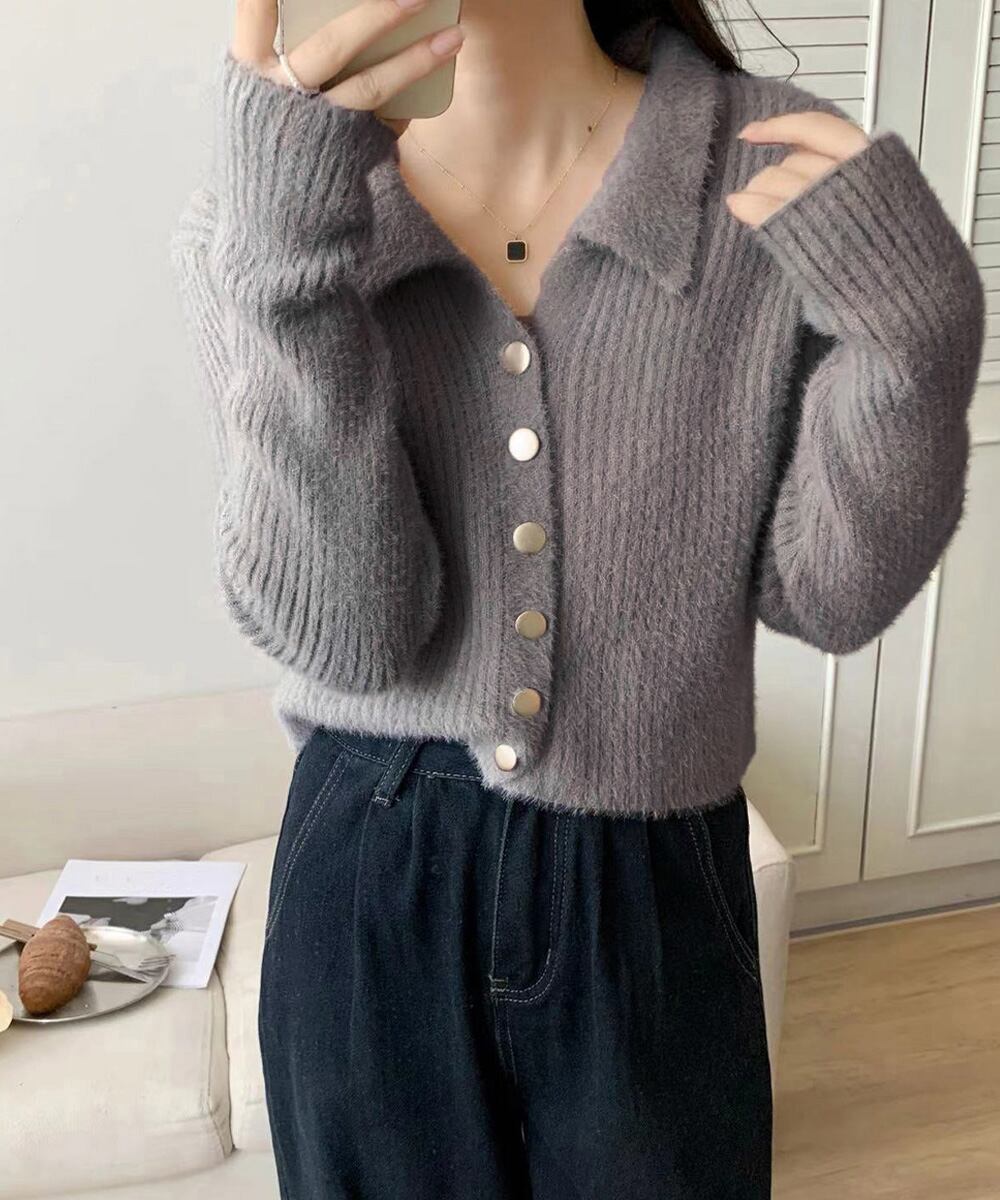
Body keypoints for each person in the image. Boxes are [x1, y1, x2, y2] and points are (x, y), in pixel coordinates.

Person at [170, 1, 985, 1196]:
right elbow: (348, 636)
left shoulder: (769, 169)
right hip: (369, 891)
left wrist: (917, 345)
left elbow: (826, 598)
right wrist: (283, 278)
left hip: (654, 889)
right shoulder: (262, 210)